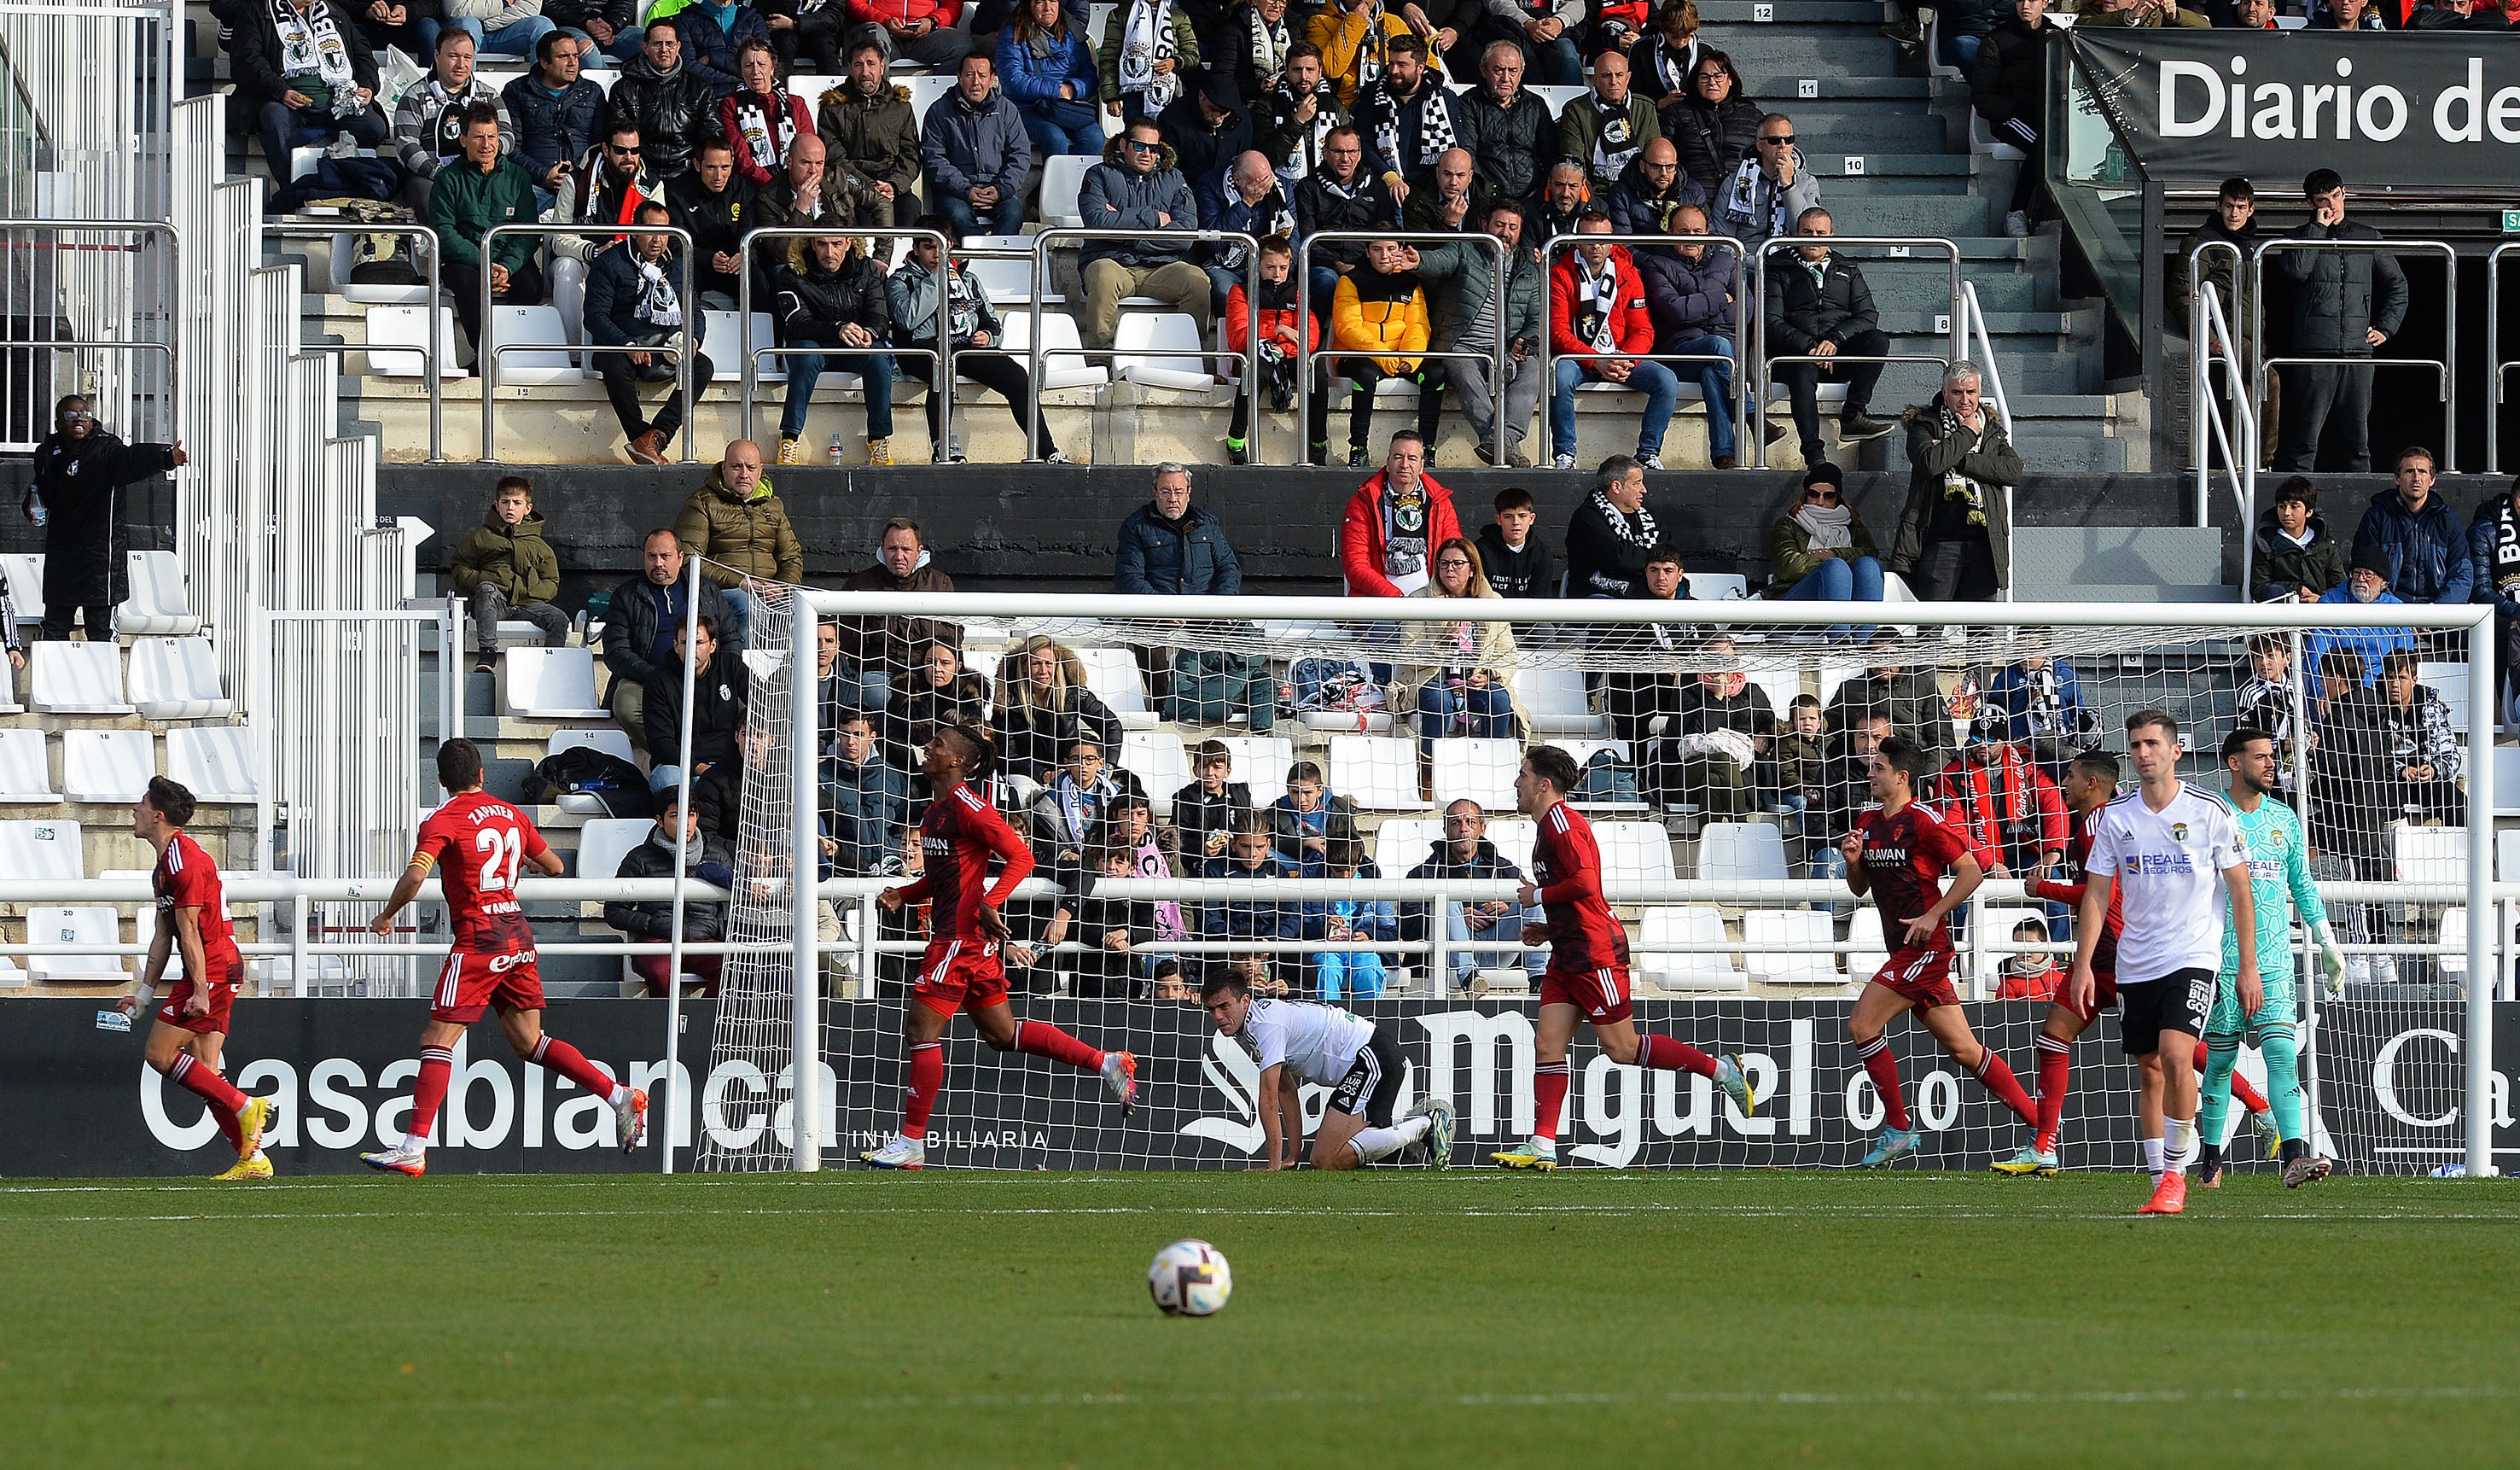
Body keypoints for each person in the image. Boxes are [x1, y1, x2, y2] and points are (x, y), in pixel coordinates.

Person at [361, 740, 649, 1175]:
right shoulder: (511, 814)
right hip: (517, 937)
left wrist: (386, 914)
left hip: (479, 941)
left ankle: (414, 1145)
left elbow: (416, 876)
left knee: (437, 1041)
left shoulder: (442, 820)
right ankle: (618, 1095)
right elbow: (554, 866)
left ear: (441, 781)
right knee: (529, 1042)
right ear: (482, 775)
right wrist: (524, 866)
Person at [860, 726, 1140, 1170]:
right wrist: (906, 894)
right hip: (966, 941)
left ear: (957, 761)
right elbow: (945, 877)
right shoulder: (935, 812)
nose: (927, 747)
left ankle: (911, 1141)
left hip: (959, 941)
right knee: (1002, 1035)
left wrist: (992, 902)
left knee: (920, 1033)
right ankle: (1105, 1062)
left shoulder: (970, 806)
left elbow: (1022, 856)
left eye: (937, 744)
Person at [1492, 746, 1755, 1170]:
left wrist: (1536, 895)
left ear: (1543, 784)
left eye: (1522, 775)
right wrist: (1549, 928)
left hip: (1596, 953)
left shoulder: (1563, 824)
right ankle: (1542, 1144)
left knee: (1622, 1048)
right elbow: (1577, 896)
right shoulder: (1546, 830)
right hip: (1568, 951)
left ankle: (1721, 1071)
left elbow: (1585, 882)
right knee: (1548, 1044)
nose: (1516, 783)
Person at [2066, 711, 2258, 1216]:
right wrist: (2083, 963)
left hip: (2193, 955)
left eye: (2152, 744)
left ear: (2175, 751)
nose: (2143, 753)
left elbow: (2241, 888)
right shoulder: (2116, 817)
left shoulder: (2210, 810)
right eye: (2135, 745)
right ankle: (2159, 1180)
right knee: (2149, 1070)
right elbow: (2096, 895)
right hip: (2134, 961)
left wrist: (2248, 965)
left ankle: (2176, 1176)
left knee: (2176, 1056)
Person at [1837, 732, 2038, 1167]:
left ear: (1902, 776)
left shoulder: (1924, 820)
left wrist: (1934, 915)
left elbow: (1971, 873)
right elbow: (1860, 889)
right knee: (1965, 1050)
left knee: (1862, 1024)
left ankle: (1897, 1127)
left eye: (1879, 768)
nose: (1870, 773)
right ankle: (2043, 1132)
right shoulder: (1869, 822)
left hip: (1927, 947)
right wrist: (1854, 862)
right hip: (1903, 948)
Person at [2192, 728, 2348, 1189]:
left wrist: (2325, 938)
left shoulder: (2285, 819)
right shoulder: (2210, 818)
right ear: (2233, 762)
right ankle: (2210, 1162)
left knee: (2282, 1054)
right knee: (2220, 1063)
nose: (2270, 764)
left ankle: (2294, 1157)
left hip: (2274, 958)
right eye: (2260, 757)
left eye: (2273, 756)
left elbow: (2302, 885)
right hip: (2221, 959)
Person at [125, 778, 274, 1182]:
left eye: (141, 803)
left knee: (158, 1054)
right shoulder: (166, 864)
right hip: (213, 968)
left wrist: (202, 991)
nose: (133, 811)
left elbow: (189, 932)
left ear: (158, 815)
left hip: (212, 969)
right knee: (207, 1070)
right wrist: (142, 994)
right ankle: (253, 1159)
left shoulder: (185, 860)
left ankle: (244, 1105)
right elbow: (163, 933)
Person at [1202, 971, 1453, 1168]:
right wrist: (1293, 1155)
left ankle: (1427, 1124)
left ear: (1245, 1000)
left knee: (1325, 1160)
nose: (1218, 1016)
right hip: (1370, 1058)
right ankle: (1414, 1131)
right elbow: (1285, 1090)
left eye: (1224, 1006)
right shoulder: (1253, 1024)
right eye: (1212, 1010)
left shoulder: (1264, 1025)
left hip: (1372, 1056)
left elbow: (1268, 1101)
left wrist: (1273, 1165)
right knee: (1331, 1156)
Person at [2273, 169, 2407, 474]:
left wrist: (2386, 327)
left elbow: (2398, 285)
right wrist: (2318, 229)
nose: (2331, 205)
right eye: (2322, 200)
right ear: (2310, 203)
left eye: (2335, 197)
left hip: (2359, 352)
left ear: (2344, 193)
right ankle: (2297, 503)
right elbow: (2296, 271)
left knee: (2358, 440)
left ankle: (2362, 507)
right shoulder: (2297, 237)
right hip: (2313, 352)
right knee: (2305, 439)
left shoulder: (2368, 236)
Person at [890, 234, 1067, 464]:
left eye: (944, 248)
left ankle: (1047, 451)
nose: (937, 254)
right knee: (943, 370)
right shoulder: (901, 280)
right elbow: (906, 320)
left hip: (964, 347)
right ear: (915, 248)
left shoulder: (969, 280)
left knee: (1017, 376)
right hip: (922, 349)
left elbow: (991, 322)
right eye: (929, 247)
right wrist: (937, 279)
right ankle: (942, 450)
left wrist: (988, 336)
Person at [1113, 464, 1266, 724]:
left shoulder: (1207, 523)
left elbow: (1229, 566)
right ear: (1155, 492)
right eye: (1166, 491)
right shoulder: (1135, 526)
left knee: (1245, 635)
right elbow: (1130, 577)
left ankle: (1231, 698)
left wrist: (1225, 602)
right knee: (1145, 637)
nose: (1173, 498)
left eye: (1178, 491)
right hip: (1159, 613)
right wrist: (1165, 608)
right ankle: (1165, 707)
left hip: (1207, 612)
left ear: (1189, 493)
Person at [23, 396, 185, 643]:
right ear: (58, 422)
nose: (79, 419)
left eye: (85, 415)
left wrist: (164, 457)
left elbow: (131, 459)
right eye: (71, 415)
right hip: (62, 554)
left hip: (100, 557)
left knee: (100, 632)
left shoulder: (105, 448)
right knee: (55, 628)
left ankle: (103, 682)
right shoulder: (48, 452)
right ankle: (55, 682)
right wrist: (31, 506)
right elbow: (41, 490)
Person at [1410, 200, 1540, 468]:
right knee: (1464, 372)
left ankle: (1499, 442)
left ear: (1520, 231)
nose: (1505, 232)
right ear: (1485, 225)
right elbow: (1440, 261)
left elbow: (1537, 320)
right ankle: (1505, 446)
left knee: (1534, 371)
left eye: (1512, 227)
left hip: (1506, 349)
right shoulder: (1465, 249)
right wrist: (1419, 260)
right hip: (1461, 346)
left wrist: (1524, 342)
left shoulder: (1529, 267)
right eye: (1500, 224)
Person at [1548, 211, 1679, 472]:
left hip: (1620, 358)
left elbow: (1643, 329)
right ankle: (1565, 454)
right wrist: (1595, 360)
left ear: (1613, 241)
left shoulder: (1629, 273)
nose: (1596, 244)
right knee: (1559, 376)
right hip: (1579, 360)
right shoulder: (1560, 273)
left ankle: (1648, 453)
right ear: (1577, 241)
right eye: (1589, 238)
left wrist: (1623, 359)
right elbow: (1558, 332)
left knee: (1666, 380)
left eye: (1603, 238)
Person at [1763, 206, 1893, 468]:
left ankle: (1853, 415)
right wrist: (1810, 347)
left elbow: (1868, 315)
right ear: (1795, 234)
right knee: (1801, 372)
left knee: (1878, 340)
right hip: (1795, 356)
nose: (1813, 238)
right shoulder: (1777, 268)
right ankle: (1814, 456)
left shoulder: (1848, 269)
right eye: (1807, 232)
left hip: (1836, 352)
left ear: (1831, 236)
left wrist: (1835, 340)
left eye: (1820, 233)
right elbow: (1771, 320)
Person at [585, 201, 713, 464]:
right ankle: (641, 437)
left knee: (702, 366)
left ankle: (657, 435)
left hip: (665, 349)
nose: (658, 239)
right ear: (634, 230)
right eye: (651, 231)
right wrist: (626, 344)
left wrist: (692, 339)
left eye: (664, 232)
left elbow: (695, 313)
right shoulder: (610, 263)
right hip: (622, 347)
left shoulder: (679, 266)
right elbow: (595, 317)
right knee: (613, 363)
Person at [1078, 120, 1211, 348]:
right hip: (1111, 261)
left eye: (1154, 148)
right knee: (1103, 276)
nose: (1147, 153)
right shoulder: (1098, 174)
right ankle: (1101, 358)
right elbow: (1098, 222)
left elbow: (1187, 234)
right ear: (1123, 145)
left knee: (1197, 281)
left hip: (1161, 267)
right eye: (1140, 146)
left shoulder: (1174, 178)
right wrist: (1153, 219)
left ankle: (1191, 355)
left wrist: (1125, 227)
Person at [771, 232, 899, 465]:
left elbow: (880, 316)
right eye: (822, 244)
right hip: (814, 342)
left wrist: (869, 333)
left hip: (854, 345)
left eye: (836, 244)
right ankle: (789, 438)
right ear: (812, 243)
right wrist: (837, 328)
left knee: (879, 358)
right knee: (806, 356)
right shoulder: (792, 274)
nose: (829, 252)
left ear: (849, 243)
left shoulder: (866, 269)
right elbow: (799, 324)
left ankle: (879, 439)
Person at [236, 0, 390, 192]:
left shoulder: (334, 12)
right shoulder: (258, 11)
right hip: (286, 101)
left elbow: (363, 55)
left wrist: (367, 85)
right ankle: (292, 188)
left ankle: (337, 179)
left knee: (373, 126)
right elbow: (247, 59)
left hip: (338, 102)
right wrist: (281, 91)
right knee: (273, 117)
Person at [429, 104, 544, 359]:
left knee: (530, 286)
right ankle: (485, 355)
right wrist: (484, 264)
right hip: (466, 262)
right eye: (478, 136)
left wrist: (506, 267)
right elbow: (444, 232)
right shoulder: (448, 179)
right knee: (468, 284)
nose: (486, 144)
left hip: (508, 262)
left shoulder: (519, 177)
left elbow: (527, 231)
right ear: (463, 139)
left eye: (491, 136)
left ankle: (509, 351)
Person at [599, 529, 735, 745]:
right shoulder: (626, 595)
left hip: (705, 676)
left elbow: (730, 639)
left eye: (665, 556)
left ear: (680, 558)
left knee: (746, 707)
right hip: (647, 678)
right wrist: (656, 676)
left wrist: (717, 674)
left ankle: (710, 757)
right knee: (626, 706)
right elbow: (616, 652)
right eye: (651, 556)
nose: (658, 563)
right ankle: (672, 755)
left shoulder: (706, 591)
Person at [2174, 176, 2273, 465]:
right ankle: (2253, 458)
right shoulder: (2200, 242)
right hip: (2222, 340)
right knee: (2269, 381)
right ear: (2218, 205)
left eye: (2241, 207)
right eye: (2229, 206)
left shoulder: (2252, 247)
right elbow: (2183, 296)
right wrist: (2208, 337)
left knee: (2261, 386)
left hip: (2249, 338)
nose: (2234, 214)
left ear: (2251, 210)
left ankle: (2254, 460)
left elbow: (2253, 303)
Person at [604, 788, 736, 996]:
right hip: (658, 942)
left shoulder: (718, 856)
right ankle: (662, 1026)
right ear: (660, 820)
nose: (685, 823)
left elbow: (732, 910)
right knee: (658, 972)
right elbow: (614, 910)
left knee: (736, 970)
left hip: (705, 941)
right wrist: (651, 923)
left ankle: (701, 1024)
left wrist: (717, 929)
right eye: (675, 815)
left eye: (690, 815)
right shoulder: (639, 858)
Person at [1635, 202, 1737, 465]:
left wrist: (1699, 305)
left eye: (1697, 231)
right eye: (1683, 231)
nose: (1691, 237)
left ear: (1707, 233)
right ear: (1670, 233)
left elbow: (1745, 309)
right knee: (1718, 346)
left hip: (1719, 356)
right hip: (1679, 352)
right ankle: (1748, 411)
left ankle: (1724, 454)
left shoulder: (1726, 260)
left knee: (1713, 371)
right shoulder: (1657, 264)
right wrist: (1719, 299)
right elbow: (1675, 312)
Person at [675, 440, 803, 646]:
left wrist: (781, 587)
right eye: (736, 466)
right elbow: (689, 560)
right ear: (724, 468)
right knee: (746, 605)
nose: (744, 474)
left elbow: (791, 557)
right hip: (723, 593)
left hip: (770, 592)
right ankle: (743, 674)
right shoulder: (702, 502)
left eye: (751, 468)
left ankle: (782, 677)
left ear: (760, 471)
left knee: (803, 609)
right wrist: (740, 582)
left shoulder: (774, 506)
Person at [1401, 799, 1537, 991]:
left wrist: (1508, 907)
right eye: (1455, 823)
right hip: (1448, 955)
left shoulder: (1505, 869)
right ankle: (1469, 978)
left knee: (1532, 898)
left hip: (1497, 947)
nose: (1463, 829)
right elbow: (1406, 926)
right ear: (1445, 830)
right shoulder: (1424, 873)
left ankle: (1540, 977)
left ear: (1482, 829)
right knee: (1445, 899)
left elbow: (1527, 901)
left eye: (1470, 822)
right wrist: (1457, 918)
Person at [543, 120, 664, 332]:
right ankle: (574, 354)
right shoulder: (576, 181)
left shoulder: (652, 186)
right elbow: (560, 240)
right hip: (585, 260)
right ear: (606, 149)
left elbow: (657, 237)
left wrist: (619, 258)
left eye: (635, 151)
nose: (629, 158)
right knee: (566, 267)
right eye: (621, 150)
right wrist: (595, 252)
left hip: (630, 263)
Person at [1401, 538, 1516, 754]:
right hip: (1433, 678)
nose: (1449, 569)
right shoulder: (1419, 600)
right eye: (1443, 564)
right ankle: (1430, 771)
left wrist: (1489, 675)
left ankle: (1492, 764)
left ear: (1472, 569)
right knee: (1437, 699)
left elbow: (1508, 654)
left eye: (1457, 563)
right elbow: (1407, 652)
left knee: (1499, 698)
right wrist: (1440, 643)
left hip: (1475, 681)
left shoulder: (1494, 602)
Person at [1222, 232, 1325, 465]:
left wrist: (1283, 350)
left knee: (1317, 373)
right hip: (1253, 354)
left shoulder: (1298, 292)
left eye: (1283, 267)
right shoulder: (1240, 291)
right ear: (1256, 266)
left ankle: (1318, 442)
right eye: (1270, 267)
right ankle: (1235, 439)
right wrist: (1278, 331)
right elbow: (1239, 337)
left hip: (1287, 354)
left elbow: (1310, 335)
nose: (1277, 274)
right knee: (1258, 369)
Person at [1326, 237, 1429, 466]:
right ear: (1366, 251)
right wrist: (1385, 357)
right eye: (1377, 249)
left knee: (1436, 373)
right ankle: (1359, 447)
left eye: (1391, 249)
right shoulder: (1350, 280)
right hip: (1356, 353)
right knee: (1365, 375)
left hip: (1401, 356)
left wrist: (1410, 358)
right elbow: (1347, 328)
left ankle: (1427, 451)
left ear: (1400, 251)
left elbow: (1418, 326)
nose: (1384, 255)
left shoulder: (1411, 281)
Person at [448, 475, 567, 670]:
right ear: (497, 505)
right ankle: (487, 654)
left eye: (517, 502)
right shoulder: (481, 538)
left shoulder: (539, 545)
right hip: (494, 603)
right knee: (486, 590)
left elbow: (551, 580)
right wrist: (481, 581)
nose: (510, 508)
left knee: (559, 618)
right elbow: (460, 566)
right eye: (505, 502)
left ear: (527, 508)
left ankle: (551, 667)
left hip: (528, 605)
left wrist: (532, 592)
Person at [393, 27, 514, 211]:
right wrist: (439, 174)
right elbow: (407, 145)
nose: (461, 64)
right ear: (437, 55)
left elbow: (507, 137)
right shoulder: (414, 95)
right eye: (453, 56)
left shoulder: (489, 95)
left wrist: (482, 161)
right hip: (429, 177)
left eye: (467, 57)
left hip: (483, 173)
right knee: (432, 200)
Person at [1292, 125, 1399, 323]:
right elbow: (1307, 238)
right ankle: (1316, 339)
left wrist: (1368, 263)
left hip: (1367, 264)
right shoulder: (1308, 187)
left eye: (1351, 152)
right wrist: (1336, 263)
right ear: (1325, 153)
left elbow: (1386, 231)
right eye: (1338, 151)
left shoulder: (1376, 187)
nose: (1345, 158)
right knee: (1327, 281)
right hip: (1325, 267)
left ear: (1359, 154)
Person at [1933, 722, 2064, 879]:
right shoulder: (1952, 775)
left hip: (2021, 850)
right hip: (1970, 855)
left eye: (1991, 740)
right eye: (1977, 738)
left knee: (2052, 877)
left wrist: (2054, 850)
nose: (1983, 744)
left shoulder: (2026, 767)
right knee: (1956, 880)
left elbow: (2055, 806)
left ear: (2004, 742)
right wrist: (1990, 864)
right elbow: (1953, 829)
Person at [1338, 429, 1461, 596]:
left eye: (1412, 458)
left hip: (1432, 602)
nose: (1404, 464)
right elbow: (1356, 565)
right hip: (1378, 605)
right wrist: (1397, 600)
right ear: (1388, 463)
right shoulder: (1363, 503)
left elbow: (1455, 555)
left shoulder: (1440, 502)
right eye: (1398, 457)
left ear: (1421, 466)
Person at [922, 53, 1031, 239]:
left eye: (981, 75)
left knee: (1013, 213)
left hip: (997, 189)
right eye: (969, 75)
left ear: (992, 79)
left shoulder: (1007, 110)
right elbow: (935, 159)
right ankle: (980, 262)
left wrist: (999, 190)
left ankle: (998, 260)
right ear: (959, 77)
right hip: (955, 192)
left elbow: (1020, 155)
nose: (976, 82)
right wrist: (966, 189)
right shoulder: (939, 111)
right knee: (958, 215)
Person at [818, 40, 925, 225]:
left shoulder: (900, 106)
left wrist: (893, 184)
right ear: (850, 68)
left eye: (871, 64)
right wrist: (868, 186)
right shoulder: (833, 107)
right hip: (853, 188)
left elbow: (911, 155)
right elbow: (835, 159)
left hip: (893, 186)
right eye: (858, 65)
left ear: (882, 67)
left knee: (911, 208)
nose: (865, 72)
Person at [1970, 0, 2053, 239]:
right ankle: (2016, 212)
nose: (2025, 5)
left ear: (2045, 2)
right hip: (2010, 117)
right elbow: (1982, 96)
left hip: (2049, 116)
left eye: (2033, 0)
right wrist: (2017, 108)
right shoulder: (1996, 39)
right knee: (2044, 145)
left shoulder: (2056, 37)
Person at [2353, 447, 2471, 612]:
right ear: (2397, 478)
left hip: (2438, 613)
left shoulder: (2447, 519)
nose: (2416, 478)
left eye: (2422, 472)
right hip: (2389, 611)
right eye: (2409, 471)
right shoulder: (2377, 517)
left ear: (2432, 480)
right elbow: (2366, 574)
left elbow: (2462, 574)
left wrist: (2435, 614)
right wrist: (2401, 614)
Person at [995, 635, 1120, 785]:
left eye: (1049, 663)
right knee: (1022, 791)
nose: (1043, 671)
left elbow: (1111, 725)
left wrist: (1106, 765)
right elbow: (1007, 756)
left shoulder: (1072, 693)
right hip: (1028, 774)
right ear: (1024, 667)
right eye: (1036, 663)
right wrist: (1043, 774)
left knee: (1129, 784)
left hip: (1072, 768)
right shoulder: (1007, 702)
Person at [643, 612, 748, 794]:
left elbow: (764, 705)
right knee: (668, 779)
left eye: (699, 643)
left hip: (727, 760)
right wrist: (699, 769)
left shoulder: (731, 665)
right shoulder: (658, 680)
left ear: (713, 645)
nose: (691, 649)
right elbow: (661, 743)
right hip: (678, 765)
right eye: (684, 643)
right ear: (676, 646)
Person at [504, 31, 606, 207]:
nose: (572, 62)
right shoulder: (517, 91)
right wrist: (544, 175)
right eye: (563, 56)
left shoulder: (592, 92)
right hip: (533, 185)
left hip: (582, 183)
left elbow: (600, 144)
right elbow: (512, 149)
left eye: (575, 55)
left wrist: (576, 172)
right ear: (544, 62)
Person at [608, 20, 721, 177]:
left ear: (679, 47)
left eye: (670, 44)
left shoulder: (700, 88)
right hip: (640, 172)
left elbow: (712, 137)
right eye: (657, 44)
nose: (664, 50)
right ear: (645, 48)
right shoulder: (624, 89)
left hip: (687, 174)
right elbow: (619, 140)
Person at [1348, 33, 1452, 201]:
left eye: (1402, 64)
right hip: (1383, 186)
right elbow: (1363, 142)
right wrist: (1389, 177)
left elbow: (1455, 148)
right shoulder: (1372, 95)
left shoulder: (1445, 99)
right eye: (1391, 63)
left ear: (1420, 67)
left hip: (1431, 191)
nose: (1394, 70)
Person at [1767, 461, 1883, 607]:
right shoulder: (1788, 524)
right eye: (1814, 494)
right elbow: (1790, 567)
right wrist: (1833, 566)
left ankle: (1863, 630)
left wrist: (1833, 554)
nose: (1820, 502)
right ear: (1805, 495)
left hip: (1851, 596)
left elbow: (1871, 554)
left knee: (1868, 566)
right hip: (1794, 598)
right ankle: (1838, 630)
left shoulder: (1853, 526)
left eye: (1828, 496)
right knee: (1836, 569)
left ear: (1837, 498)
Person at [1452, 41, 1551, 211]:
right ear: (1483, 70)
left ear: (1521, 73)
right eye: (1498, 70)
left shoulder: (1536, 105)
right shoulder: (1467, 103)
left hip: (1533, 200)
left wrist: (1539, 192)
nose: (1506, 78)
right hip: (1486, 201)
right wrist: (1488, 194)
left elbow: (1551, 155)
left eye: (1513, 71)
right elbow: (1468, 155)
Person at [998, 0, 1103, 157]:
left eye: (1053, 1)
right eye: (1040, 2)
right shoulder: (1012, 34)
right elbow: (1013, 81)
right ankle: (1055, 181)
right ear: (1029, 5)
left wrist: (1073, 89)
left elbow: (1090, 77)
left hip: (1067, 106)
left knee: (1094, 137)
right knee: (1054, 137)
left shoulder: (1073, 32)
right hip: (1028, 108)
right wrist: (1056, 90)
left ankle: (1081, 181)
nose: (1048, 8)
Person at [1205, 151, 1298, 324]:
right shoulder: (1211, 184)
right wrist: (1246, 203)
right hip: (1226, 266)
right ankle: (1232, 342)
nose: (1267, 186)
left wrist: (1282, 268)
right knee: (1225, 292)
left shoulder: (1281, 186)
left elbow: (1293, 236)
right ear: (1238, 180)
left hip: (1268, 264)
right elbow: (1213, 241)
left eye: (1268, 178)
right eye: (1258, 182)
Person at [2373, 649, 2464, 824]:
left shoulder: (2432, 707)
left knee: (2457, 802)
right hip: (2390, 781)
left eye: (2401, 678)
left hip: (2426, 781)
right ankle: (2393, 848)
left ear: (2414, 680)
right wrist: (2401, 770)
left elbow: (2452, 755)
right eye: (2390, 677)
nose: (2394, 684)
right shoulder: (2373, 706)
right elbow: (2371, 756)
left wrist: (2434, 769)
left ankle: (2463, 848)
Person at [1254, 42, 1353, 195]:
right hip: (1282, 192)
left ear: (1320, 72)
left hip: (1327, 194)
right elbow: (1267, 156)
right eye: (1297, 70)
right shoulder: (1266, 106)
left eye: (1310, 69)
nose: (1304, 76)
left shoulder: (1336, 108)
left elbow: (1347, 154)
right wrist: (1297, 121)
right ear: (1286, 71)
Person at [665, 142, 754, 308]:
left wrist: (743, 256)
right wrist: (707, 259)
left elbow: (752, 236)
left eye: (725, 167)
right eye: (711, 167)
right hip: (696, 264)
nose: (718, 176)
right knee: (681, 276)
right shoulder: (677, 192)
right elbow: (674, 243)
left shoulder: (743, 189)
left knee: (758, 280)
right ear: (697, 165)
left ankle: (762, 334)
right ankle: (686, 332)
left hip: (733, 265)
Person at [1665, 47, 1757, 207]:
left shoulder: (1751, 115)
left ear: (1730, 79)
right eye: (1704, 77)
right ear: (1696, 82)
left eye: (1718, 76)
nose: (1712, 82)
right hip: (1693, 201)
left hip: (1741, 201)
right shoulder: (1678, 113)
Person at [1559, 48, 1657, 196]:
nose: (1613, 82)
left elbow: (1655, 155)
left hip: (1640, 193)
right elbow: (1574, 162)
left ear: (1628, 78)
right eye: (1606, 76)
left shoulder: (1645, 108)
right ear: (1595, 79)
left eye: (1619, 75)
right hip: (1596, 193)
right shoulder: (1575, 110)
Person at [718, 38, 814, 189]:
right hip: (751, 185)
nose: (756, 71)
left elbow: (807, 148)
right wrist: (772, 185)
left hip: (796, 184)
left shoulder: (796, 104)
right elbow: (740, 157)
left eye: (761, 64)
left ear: (772, 68)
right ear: (741, 70)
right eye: (749, 65)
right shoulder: (730, 105)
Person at [826, 706, 911, 875]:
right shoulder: (822, 776)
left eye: (858, 735)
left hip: (888, 873)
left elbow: (908, 820)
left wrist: (893, 848)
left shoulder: (891, 776)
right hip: (841, 872)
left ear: (872, 738)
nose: (850, 741)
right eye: (845, 733)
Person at [1715, 110, 1817, 250]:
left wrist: (1789, 185)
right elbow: (1723, 239)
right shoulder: (1734, 183)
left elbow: (1808, 234)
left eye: (1789, 140)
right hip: (1746, 265)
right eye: (1774, 140)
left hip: (1791, 265)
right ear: (1760, 145)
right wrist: (1752, 263)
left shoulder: (1807, 182)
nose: (1782, 145)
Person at [884, 638, 990, 773]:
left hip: (954, 771)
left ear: (958, 666)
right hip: (910, 768)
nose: (937, 669)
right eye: (930, 662)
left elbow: (975, 744)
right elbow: (890, 737)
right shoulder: (905, 690)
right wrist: (921, 756)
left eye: (945, 663)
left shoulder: (972, 698)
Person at [1563, 453, 1660, 598]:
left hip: (1642, 597)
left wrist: (1645, 559)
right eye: (1637, 483)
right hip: (1597, 600)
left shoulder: (1648, 516)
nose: (1643, 490)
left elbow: (1668, 553)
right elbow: (1619, 559)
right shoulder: (1587, 517)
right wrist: (1653, 559)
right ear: (1616, 487)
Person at [1161, 70, 1254, 213]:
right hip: (1186, 194)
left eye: (1224, 113)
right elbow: (1170, 169)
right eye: (1212, 109)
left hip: (1229, 193)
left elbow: (1245, 159)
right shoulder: (1172, 118)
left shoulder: (1242, 118)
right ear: (1201, 96)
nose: (1217, 117)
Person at [1101, 0, 1202, 128]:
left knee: (1165, 141)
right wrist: (1111, 97)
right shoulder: (1120, 14)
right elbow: (1109, 57)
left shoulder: (1178, 16)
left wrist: (1175, 61)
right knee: (1136, 140)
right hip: (1133, 95)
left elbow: (1193, 54)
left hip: (1167, 93)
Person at [2253, 475, 2344, 604]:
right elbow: (2259, 588)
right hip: (2280, 617)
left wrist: (2320, 599)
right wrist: (2295, 589)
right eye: (2282, 506)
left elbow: (2340, 586)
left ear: (2309, 512)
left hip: (2322, 617)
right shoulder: (2266, 544)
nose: (2287, 513)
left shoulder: (2325, 543)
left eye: (2294, 507)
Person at [1307, 0, 1414, 107]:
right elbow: (1330, 68)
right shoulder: (1320, 22)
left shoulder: (1395, 24)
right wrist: (1355, 22)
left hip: (1386, 105)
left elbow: (1423, 62)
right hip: (1343, 109)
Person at [847, 0, 973, 71]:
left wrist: (932, 22)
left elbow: (953, 5)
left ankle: (947, 101)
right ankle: (879, 102)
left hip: (926, 38)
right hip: (885, 33)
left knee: (961, 45)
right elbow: (855, 3)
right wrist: (885, 20)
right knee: (872, 41)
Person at [1477, 485, 1551, 598]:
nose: (1516, 522)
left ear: (1531, 519)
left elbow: (1540, 600)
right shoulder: (1481, 550)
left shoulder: (1542, 553)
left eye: (1522, 516)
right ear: (1498, 519)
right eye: (1508, 517)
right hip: (1491, 613)